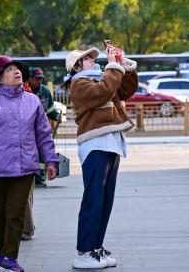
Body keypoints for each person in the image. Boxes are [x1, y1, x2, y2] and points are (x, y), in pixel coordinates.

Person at [0, 56, 59, 272]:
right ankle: (3, 254)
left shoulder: (32, 101)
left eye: (16, 69)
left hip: (24, 168)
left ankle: (9, 256)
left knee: (16, 214)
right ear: (0, 79)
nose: (16, 72)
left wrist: (50, 160)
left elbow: (43, 135)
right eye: (9, 70)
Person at [66, 41, 138, 269]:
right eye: (88, 58)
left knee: (105, 200)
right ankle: (83, 251)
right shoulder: (79, 84)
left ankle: (96, 248)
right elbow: (105, 91)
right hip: (95, 143)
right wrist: (112, 66)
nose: (93, 60)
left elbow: (126, 90)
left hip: (111, 141)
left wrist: (124, 65)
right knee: (94, 199)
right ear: (77, 67)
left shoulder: (101, 78)